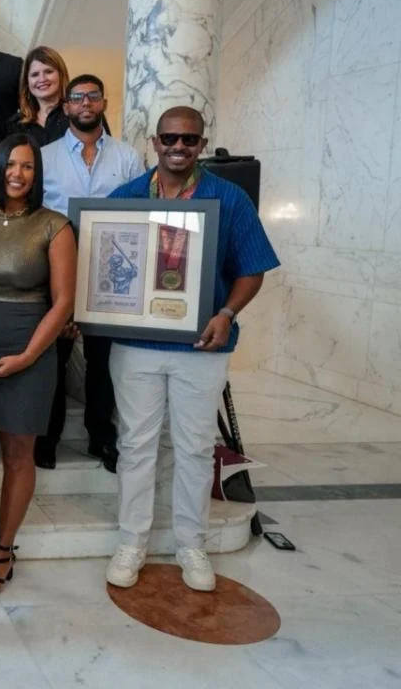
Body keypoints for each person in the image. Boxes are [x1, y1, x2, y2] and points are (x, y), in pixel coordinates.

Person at [105, 107, 278, 593]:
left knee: (196, 448)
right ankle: (131, 542)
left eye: (188, 139)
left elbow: (253, 268)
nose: (178, 146)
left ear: (202, 143)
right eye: (169, 138)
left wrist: (226, 314)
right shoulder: (127, 197)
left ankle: (191, 545)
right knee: (135, 446)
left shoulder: (230, 198)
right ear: (153, 142)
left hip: (202, 345)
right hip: (136, 345)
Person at [0, 133, 76, 597]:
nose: (18, 174)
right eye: (10, 165)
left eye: (27, 167)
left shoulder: (54, 225)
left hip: (31, 350)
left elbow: (63, 303)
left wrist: (28, 355)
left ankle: (5, 548)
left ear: (36, 174)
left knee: (18, 455)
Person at [37, 74, 144, 472]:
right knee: (54, 356)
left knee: (103, 360)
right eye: (76, 97)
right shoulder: (45, 156)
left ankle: (101, 436)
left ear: (102, 103)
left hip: (111, 272)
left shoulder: (127, 157)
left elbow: (139, 212)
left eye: (92, 97)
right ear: (65, 106)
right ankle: (46, 438)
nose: (85, 103)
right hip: (57, 269)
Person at [1, 45, 71, 145]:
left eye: (48, 72)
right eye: (35, 74)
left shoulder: (80, 112)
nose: (42, 79)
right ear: (27, 82)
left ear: (61, 75)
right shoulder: (15, 125)